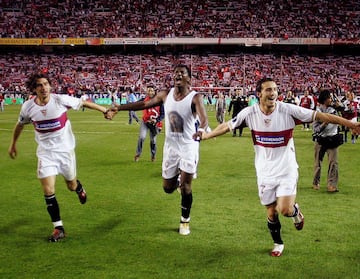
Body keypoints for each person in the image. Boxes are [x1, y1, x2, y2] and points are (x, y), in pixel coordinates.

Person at [196, 77, 360, 257]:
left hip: (286, 169)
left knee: (285, 209)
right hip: (264, 172)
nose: (273, 93)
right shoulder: (249, 113)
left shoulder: (288, 110)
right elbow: (228, 125)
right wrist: (206, 136)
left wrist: (351, 124)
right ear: (259, 94)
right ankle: (278, 243)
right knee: (271, 212)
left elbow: (321, 116)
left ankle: (295, 212)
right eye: (268, 90)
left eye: (274, 89)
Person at [8, 72, 112, 242]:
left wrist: (104, 110)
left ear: (50, 86)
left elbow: (83, 102)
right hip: (46, 153)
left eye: (46, 84)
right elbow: (20, 124)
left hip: (65, 151)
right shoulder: (28, 107)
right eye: (39, 85)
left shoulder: (60, 100)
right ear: (34, 89)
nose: (43, 88)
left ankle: (79, 189)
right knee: (48, 190)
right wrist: (13, 144)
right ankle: (58, 227)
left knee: (71, 185)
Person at [111, 64, 208, 236]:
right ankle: (176, 180)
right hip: (171, 148)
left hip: (188, 147)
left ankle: (185, 221)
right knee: (167, 188)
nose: (178, 74)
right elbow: (144, 104)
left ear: (189, 79)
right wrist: (119, 107)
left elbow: (204, 119)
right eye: (176, 72)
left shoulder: (195, 97)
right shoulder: (165, 94)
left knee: (186, 187)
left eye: (182, 73)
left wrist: (201, 130)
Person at [312, 90, 344, 193]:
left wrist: (341, 105)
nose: (331, 99)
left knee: (333, 163)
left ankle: (332, 185)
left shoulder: (335, 108)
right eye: (329, 98)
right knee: (318, 163)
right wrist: (324, 124)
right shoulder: (317, 111)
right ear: (324, 100)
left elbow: (346, 111)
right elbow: (315, 129)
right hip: (321, 140)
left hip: (333, 139)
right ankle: (316, 182)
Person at [134, 85, 164, 162]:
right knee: (142, 137)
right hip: (145, 122)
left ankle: (153, 155)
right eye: (148, 90)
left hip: (154, 124)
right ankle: (138, 154)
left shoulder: (159, 102)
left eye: (151, 90)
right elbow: (135, 105)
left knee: (153, 141)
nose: (149, 92)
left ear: (154, 92)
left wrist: (156, 120)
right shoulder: (144, 100)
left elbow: (163, 114)